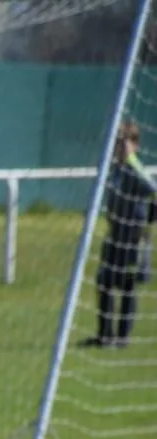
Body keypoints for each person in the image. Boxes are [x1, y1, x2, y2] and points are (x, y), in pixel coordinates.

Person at [85, 120, 157, 348]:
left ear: (135, 145)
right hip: (115, 233)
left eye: (122, 142)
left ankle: (122, 338)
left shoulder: (135, 168)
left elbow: (153, 191)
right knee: (104, 281)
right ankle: (104, 335)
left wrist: (148, 219)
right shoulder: (115, 169)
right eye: (115, 142)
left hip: (132, 238)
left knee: (126, 285)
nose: (117, 147)